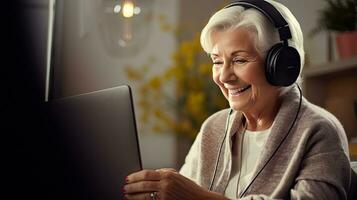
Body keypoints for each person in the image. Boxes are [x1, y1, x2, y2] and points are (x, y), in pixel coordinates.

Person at [123, 0, 353, 199]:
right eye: (217, 61)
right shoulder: (214, 127)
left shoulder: (319, 130)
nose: (224, 77)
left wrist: (198, 198)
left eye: (240, 60)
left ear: (281, 65)